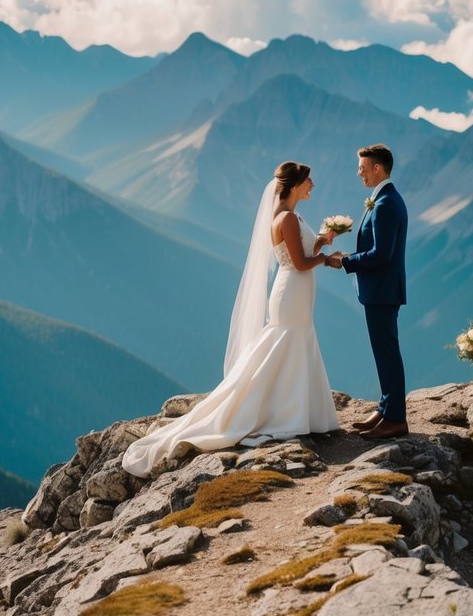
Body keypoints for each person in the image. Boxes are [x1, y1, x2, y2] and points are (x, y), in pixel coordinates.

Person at [122, 161, 339, 477]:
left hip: (295, 292)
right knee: (288, 343)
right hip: (292, 290)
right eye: (308, 180)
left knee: (292, 344)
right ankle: (283, 412)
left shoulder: (290, 215)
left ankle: (294, 410)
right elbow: (301, 263)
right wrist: (327, 260)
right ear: (294, 185)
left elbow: (303, 249)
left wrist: (322, 240)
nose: (313, 184)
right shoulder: (287, 218)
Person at [327, 143, 408, 439]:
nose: (359, 173)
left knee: (387, 352)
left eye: (362, 168)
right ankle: (386, 407)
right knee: (383, 350)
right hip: (381, 289)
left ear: (377, 168)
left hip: (383, 291)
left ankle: (396, 418)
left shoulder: (386, 204)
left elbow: (381, 254)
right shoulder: (384, 199)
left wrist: (345, 262)